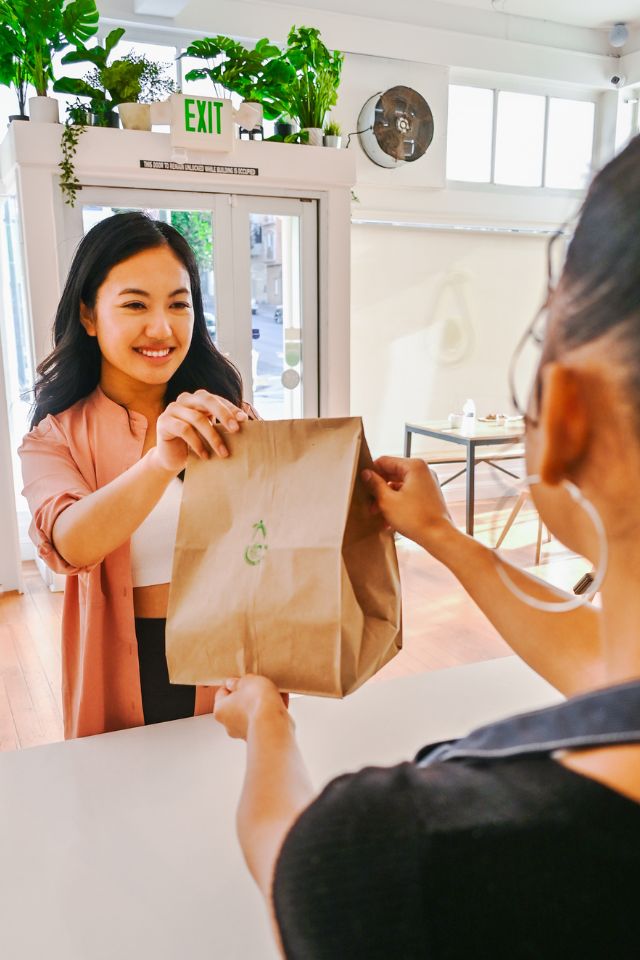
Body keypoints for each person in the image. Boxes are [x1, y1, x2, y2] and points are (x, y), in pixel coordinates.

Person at [213, 135, 640, 957]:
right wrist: (442, 535)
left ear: (570, 418)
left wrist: (266, 725)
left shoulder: (421, 855)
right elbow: (607, 667)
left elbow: (295, 863)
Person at [19, 212, 253, 739]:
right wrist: (161, 460)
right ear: (88, 314)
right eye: (135, 305)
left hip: (233, 661)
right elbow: (72, 543)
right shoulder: (54, 437)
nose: (162, 329)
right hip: (123, 661)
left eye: (179, 304)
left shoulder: (229, 416)